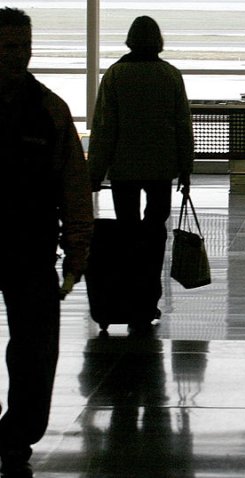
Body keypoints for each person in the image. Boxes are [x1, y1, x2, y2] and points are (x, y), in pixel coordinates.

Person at [0, 7, 93, 476]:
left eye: (24, 45)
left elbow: (73, 186)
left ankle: (18, 433)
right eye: (9, 46)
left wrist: (77, 253)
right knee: (33, 346)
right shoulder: (47, 110)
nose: (18, 55)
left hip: (31, 249)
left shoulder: (49, 110)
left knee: (36, 350)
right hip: (28, 246)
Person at [88, 15, 194, 331]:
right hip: (161, 168)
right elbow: (182, 125)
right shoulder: (170, 75)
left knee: (127, 232)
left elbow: (105, 128)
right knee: (154, 232)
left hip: (124, 168)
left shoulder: (116, 75)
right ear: (158, 41)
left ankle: (126, 296)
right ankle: (149, 299)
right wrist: (186, 168)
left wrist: (95, 172)